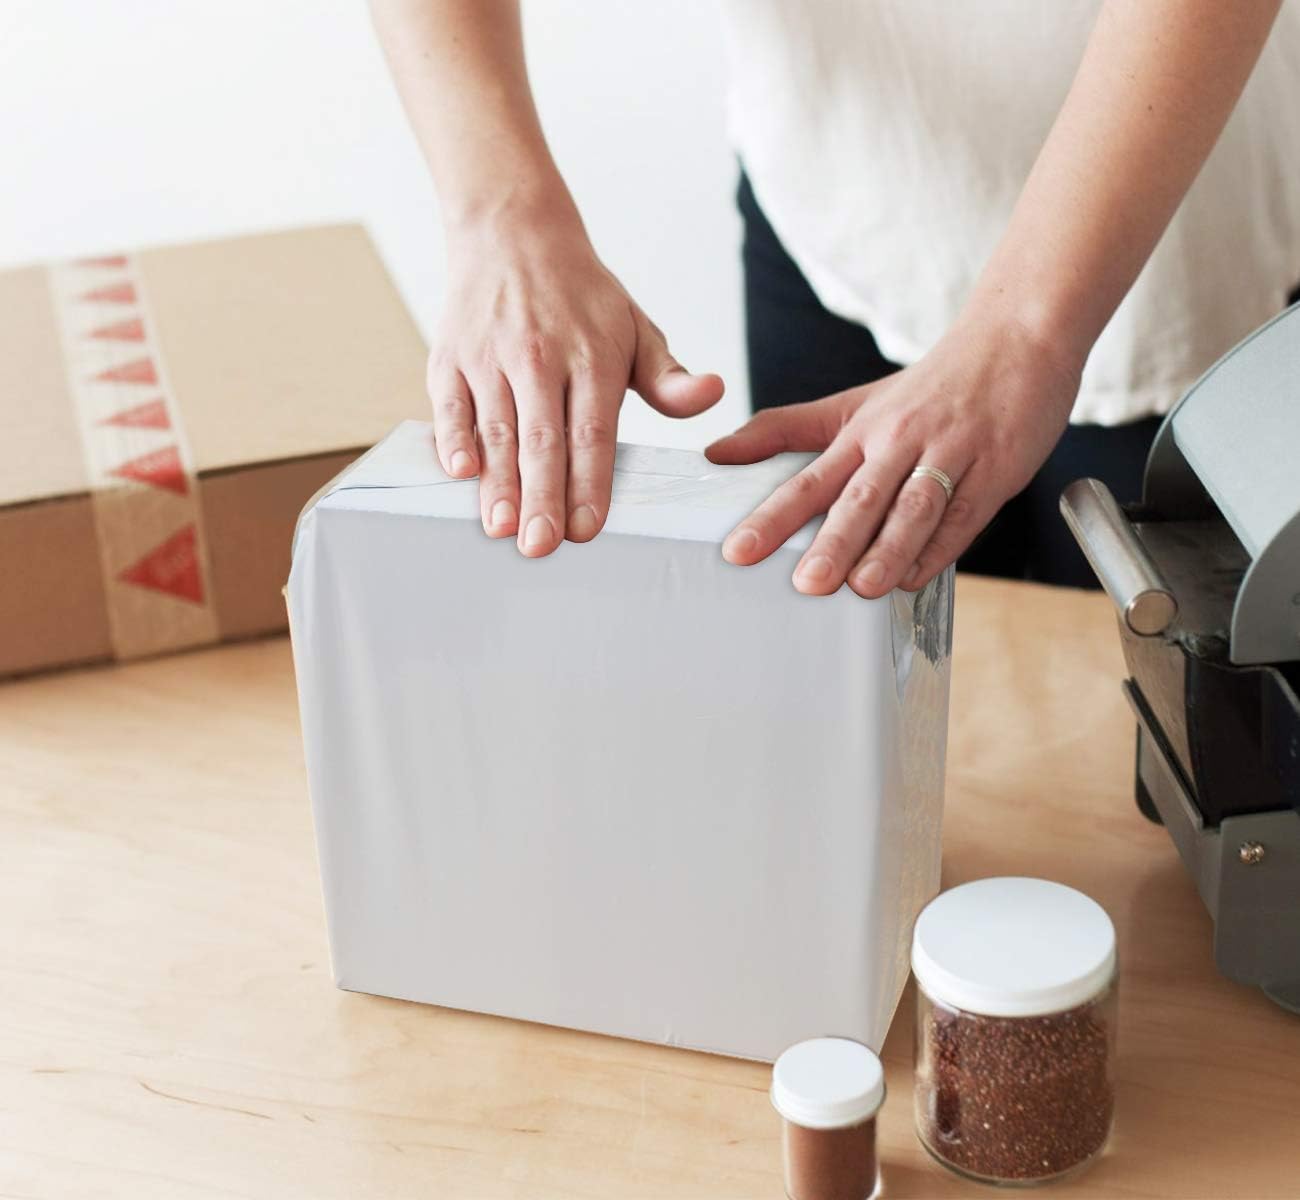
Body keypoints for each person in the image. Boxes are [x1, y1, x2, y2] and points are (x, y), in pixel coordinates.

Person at [370, 0, 1299, 595]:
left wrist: (1025, 332)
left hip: (1167, 242)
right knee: (857, 676)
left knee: (1128, 744)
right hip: (835, 197)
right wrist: (503, 217)